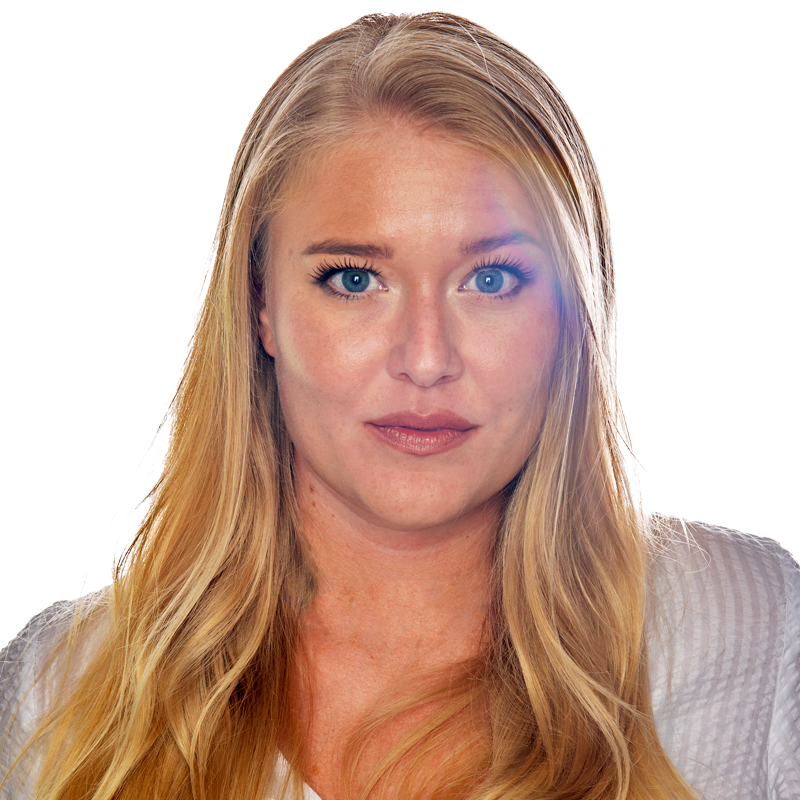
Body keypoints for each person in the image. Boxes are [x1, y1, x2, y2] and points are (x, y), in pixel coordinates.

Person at [1, 11, 797, 800]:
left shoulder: (756, 634)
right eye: (355, 279)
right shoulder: (57, 689)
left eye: (491, 280)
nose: (425, 359)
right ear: (260, 304)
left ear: (571, 311)